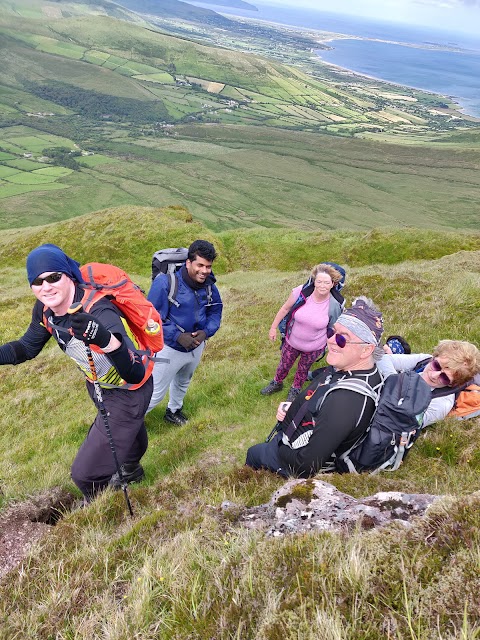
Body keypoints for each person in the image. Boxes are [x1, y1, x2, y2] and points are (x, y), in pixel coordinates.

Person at [0, 244, 153, 502]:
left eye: (53, 277)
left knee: (84, 474)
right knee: (128, 433)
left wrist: (104, 339)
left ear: (68, 275)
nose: (46, 286)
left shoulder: (98, 310)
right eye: (37, 281)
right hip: (97, 385)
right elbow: (26, 348)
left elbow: (135, 372)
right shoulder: (46, 310)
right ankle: (131, 470)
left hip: (130, 391)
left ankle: (100, 504)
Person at [247, 298, 384, 478]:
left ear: (366, 350)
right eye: (332, 332)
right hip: (298, 434)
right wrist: (292, 410)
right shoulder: (353, 369)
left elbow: (306, 465)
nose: (332, 341)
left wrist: (279, 446)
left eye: (343, 338)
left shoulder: (345, 401)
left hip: (292, 456)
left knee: (254, 453)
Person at [147, 239, 223, 425]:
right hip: (169, 348)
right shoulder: (166, 283)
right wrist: (178, 336)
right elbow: (151, 317)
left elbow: (215, 311)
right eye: (200, 265)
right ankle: (128, 425)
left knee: (183, 382)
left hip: (196, 347)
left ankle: (174, 411)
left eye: (208, 266)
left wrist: (206, 332)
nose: (204, 271)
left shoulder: (209, 286)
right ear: (188, 262)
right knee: (155, 393)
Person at [261, 264, 344, 403]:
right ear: (314, 281)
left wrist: (336, 346)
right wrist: (273, 327)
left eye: (326, 282)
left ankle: (295, 389)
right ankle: (277, 383)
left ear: (333, 284)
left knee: (303, 370)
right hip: (291, 341)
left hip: (314, 347)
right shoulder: (301, 292)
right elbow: (285, 308)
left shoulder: (335, 304)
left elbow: (335, 328)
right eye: (319, 281)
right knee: (284, 364)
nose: (322, 285)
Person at [378, 340, 480, 427]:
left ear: (452, 385)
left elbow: (409, 423)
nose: (433, 375)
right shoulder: (425, 360)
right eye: (436, 365)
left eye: (444, 378)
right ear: (434, 357)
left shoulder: (441, 404)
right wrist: (393, 383)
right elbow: (384, 359)